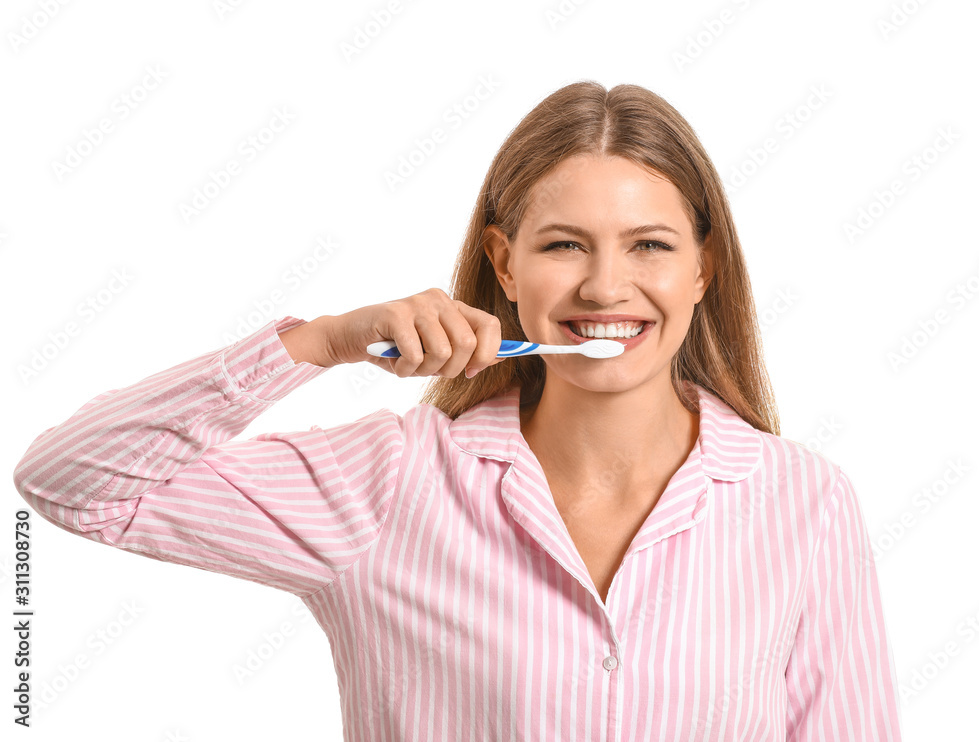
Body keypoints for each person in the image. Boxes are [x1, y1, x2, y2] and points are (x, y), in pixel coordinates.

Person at [14, 80, 903, 740]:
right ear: (505, 265)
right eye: (564, 245)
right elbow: (73, 484)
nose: (605, 285)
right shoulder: (386, 483)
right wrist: (322, 341)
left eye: (650, 246)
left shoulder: (805, 503)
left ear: (703, 269)